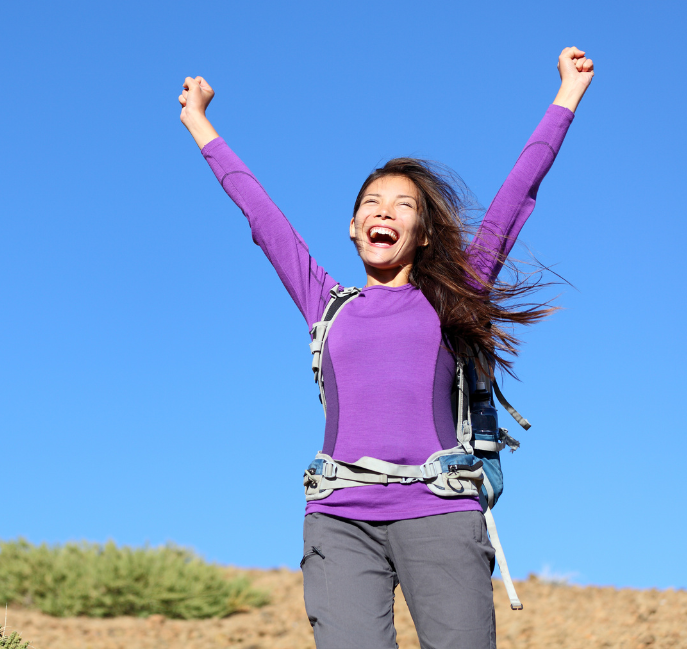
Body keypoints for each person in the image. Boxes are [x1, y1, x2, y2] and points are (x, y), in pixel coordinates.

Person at [178, 46, 594, 649]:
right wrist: (198, 121)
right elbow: (260, 213)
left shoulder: (456, 293)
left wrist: (567, 95)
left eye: (403, 206)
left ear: (423, 233)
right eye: (370, 204)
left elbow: (517, 190)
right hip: (340, 513)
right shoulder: (326, 301)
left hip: (441, 510)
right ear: (352, 227)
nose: (384, 212)